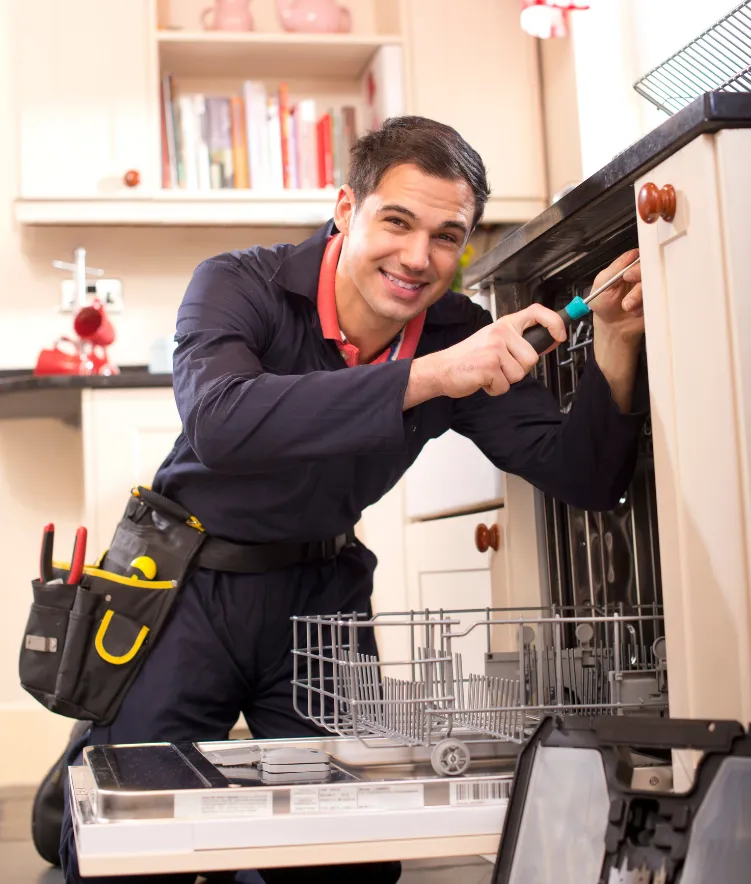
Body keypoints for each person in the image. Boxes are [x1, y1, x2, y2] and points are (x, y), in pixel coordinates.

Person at [57, 115, 645, 883]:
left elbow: (584, 477)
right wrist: (430, 378)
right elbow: (222, 422)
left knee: (347, 865)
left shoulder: (453, 329)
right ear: (345, 208)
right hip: (179, 584)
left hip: (320, 595)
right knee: (127, 842)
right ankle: (72, 790)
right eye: (396, 222)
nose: (417, 257)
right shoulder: (239, 283)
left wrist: (614, 345)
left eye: (445, 236)